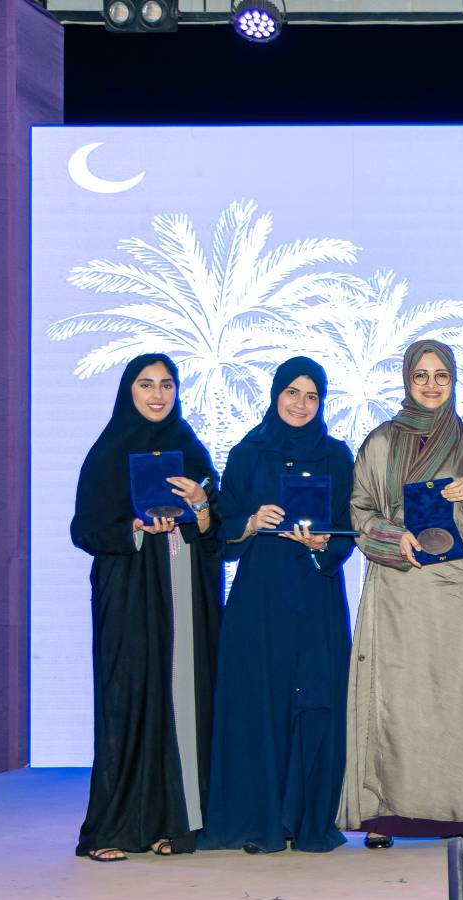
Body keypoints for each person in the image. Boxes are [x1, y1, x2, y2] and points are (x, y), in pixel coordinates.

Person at [339, 339, 463, 848]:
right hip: (399, 587)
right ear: (407, 380)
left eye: (441, 376)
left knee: (451, 698)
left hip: (455, 592)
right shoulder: (381, 442)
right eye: (421, 376)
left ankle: (454, 814)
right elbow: (360, 510)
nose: (432, 385)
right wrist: (394, 537)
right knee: (397, 699)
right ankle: (387, 817)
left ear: (454, 381)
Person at [201, 357, 356, 855]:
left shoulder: (336, 455)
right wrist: (251, 522)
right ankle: (262, 818)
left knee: (314, 700)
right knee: (260, 701)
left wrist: (322, 544)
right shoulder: (250, 451)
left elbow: (345, 528)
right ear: (274, 395)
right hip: (261, 594)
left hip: (315, 593)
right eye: (292, 392)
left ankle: (306, 819)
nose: (300, 404)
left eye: (312, 396)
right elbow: (223, 522)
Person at [69, 353, 220, 861]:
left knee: (179, 702)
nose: (158, 395)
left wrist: (200, 504)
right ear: (128, 392)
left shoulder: (191, 450)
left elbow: (214, 526)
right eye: (146, 384)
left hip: (182, 590)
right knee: (127, 697)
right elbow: (84, 529)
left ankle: (171, 824)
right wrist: (132, 529)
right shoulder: (108, 451)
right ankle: (111, 829)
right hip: (128, 589)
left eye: (167, 386)